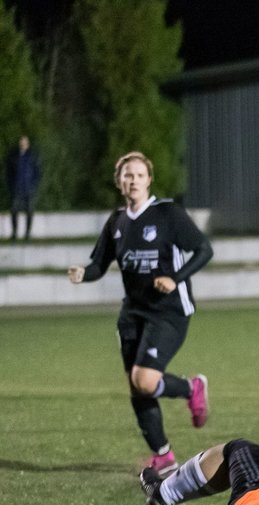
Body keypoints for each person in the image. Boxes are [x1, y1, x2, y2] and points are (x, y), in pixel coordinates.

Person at [67, 151, 214, 475]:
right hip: (132, 314)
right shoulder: (116, 221)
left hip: (169, 312)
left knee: (145, 380)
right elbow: (99, 265)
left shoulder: (168, 214)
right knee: (137, 385)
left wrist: (174, 279)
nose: (132, 180)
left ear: (149, 180)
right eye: (127, 175)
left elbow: (204, 249)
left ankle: (192, 389)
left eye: (138, 175)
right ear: (119, 182)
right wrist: (83, 273)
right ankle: (162, 455)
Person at [6, 135, 41, 241]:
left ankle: (27, 234)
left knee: (29, 211)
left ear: (28, 144)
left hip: (29, 189)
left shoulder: (32, 156)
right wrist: (11, 185)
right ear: (19, 143)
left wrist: (34, 185)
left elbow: (38, 172)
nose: (23, 144)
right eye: (21, 142)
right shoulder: (14, 156)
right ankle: (14, 234)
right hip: (17, 189)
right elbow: (9, 173)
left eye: (25, 143)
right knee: (14, 210)